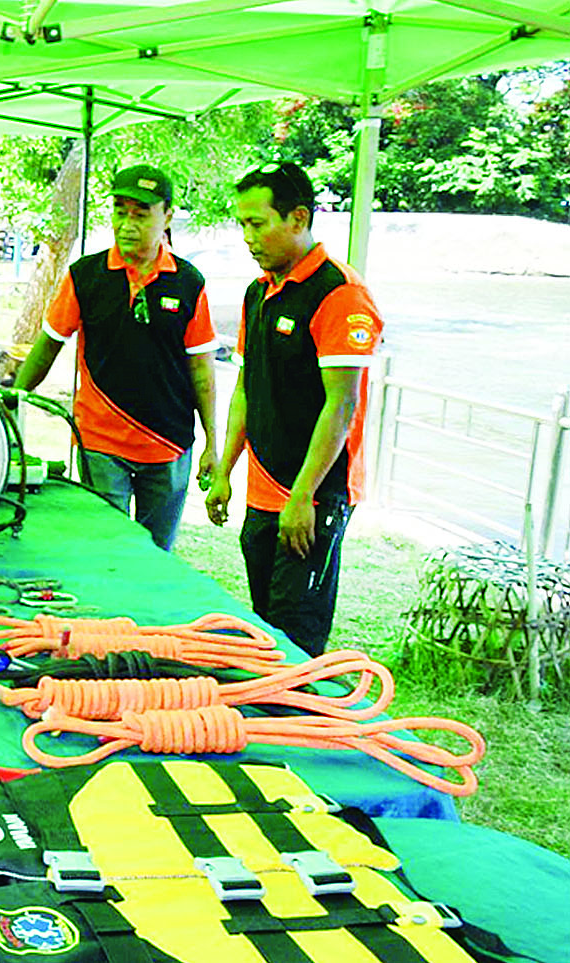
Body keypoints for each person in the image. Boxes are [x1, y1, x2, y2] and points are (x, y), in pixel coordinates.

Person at [205, 162, 384, 656]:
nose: (247, 237)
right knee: (264, 626)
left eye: (257, 223)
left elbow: (341, 405)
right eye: (242, 224)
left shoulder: (340, 294)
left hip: (315, 495)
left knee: (296, 636)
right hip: (262, 491)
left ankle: (298, 704)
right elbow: (247, 388)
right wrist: (224, 470)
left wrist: (303, 497)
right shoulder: (258, 292)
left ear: (299, 218)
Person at [15, 164, 218, 551]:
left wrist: (212, 442)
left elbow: (202, 371)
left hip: (169, 444)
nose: (127, 224)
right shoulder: (85, 275)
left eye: (141, 214)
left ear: (168, 216)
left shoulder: (189, 282)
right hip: (101, 443)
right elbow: (48, 345)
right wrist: (14, 398)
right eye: (120, 212)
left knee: (156, 555)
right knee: (104, 549)